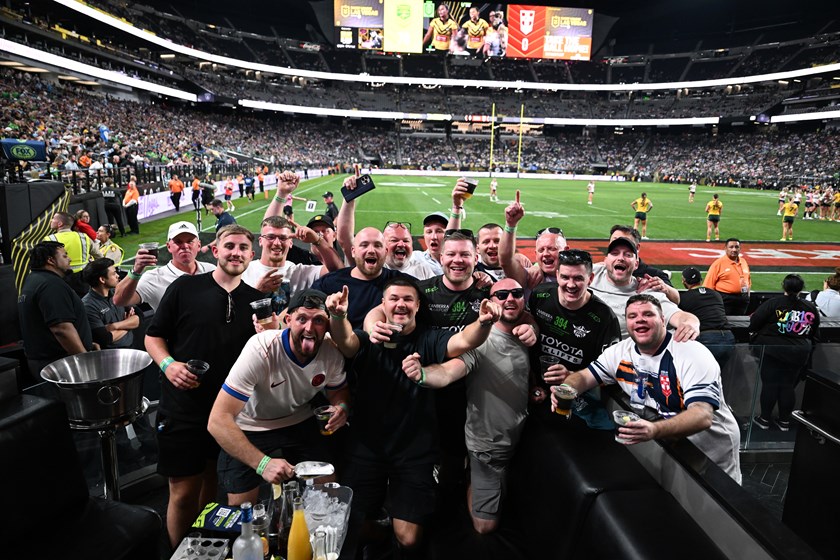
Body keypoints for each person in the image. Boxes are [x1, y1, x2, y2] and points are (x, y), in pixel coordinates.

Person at [326, 277, 502, 555]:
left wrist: (484, 322)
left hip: (415, 450)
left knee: (408, 539)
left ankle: (391, 525)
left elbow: (464, 340)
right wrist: (338, 315)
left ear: (418, 306)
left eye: (408, 299)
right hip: (367, 448)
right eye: (394, 298)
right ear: (382, 304)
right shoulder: (369, 337)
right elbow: (345, 341)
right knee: (348, 526)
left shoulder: (429, 339)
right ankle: (379, 527)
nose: (401, 304)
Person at [144, 224, 263, 548]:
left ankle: (198, 548)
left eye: (242, 248)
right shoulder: (185, 287)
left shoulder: (257, 301)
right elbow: (153, 336)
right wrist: (169, 365)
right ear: (215, 250)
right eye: (230, 246)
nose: (236, 253)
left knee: (211, 484)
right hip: (182, 407)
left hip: (226, 414)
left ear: (252, 256)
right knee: (183, 492)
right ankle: (176, 551)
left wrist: (270, 332)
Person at [551, 294, 742, 484]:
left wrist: (653, 430)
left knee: (717, 508)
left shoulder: (691, 353)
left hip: (712, 445)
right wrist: (567, 389)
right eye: (632, 316)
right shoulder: (620, 351)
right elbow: (584, 376)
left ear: (663, 320)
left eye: (648, 314)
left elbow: (703, 414)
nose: (639, 319)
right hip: (673, 439)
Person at [401, 278, 533, 534]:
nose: (509, 298)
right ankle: (471, 478)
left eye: (516, 293)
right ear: (490, 303)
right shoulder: (480, 341)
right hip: (489, 446)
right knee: (485, 526)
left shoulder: (525, 331)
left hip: (520, 436)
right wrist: (423, 375)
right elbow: (449, 372)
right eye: (501, 294)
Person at [207, 289, 350, 506]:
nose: (309, 328)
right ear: (288, 320)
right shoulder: (261, 348)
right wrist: (263, 464)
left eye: (318, 320)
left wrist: (341, 407)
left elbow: (338, 391)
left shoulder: (331, 353)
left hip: (298, 419)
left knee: (329, 488)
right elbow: (217, 421)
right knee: (242, 508)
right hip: (251, 425)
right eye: (302, 319)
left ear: (328, 325)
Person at [530, 249, 621, 405]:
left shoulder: (605, 318)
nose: (571, 285)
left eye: (578, 278)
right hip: (534, 389)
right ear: (557, 275)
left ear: (590, 279)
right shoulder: (539, 296)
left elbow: (612, 371)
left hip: (580, 400)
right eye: (565, 277)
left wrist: (572, 376)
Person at [589, 236, 700, 340]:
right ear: (605, 260)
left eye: (628, 255)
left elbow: (677, 315)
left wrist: (690, 323)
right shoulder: (589, 274)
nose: (621, 258)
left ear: (636, 264)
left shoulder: (645, 290)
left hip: (617, 355)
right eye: (615, 253)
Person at [750, 275, 820, 432]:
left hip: (773, 350)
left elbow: (754, 323)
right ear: (801, 289)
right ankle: (784, 422)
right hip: (799, 353)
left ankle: (765, 419)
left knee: (770, 385)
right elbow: (814, 332)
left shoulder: (773, 303)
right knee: (788, 387)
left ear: (784, 287)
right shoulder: (809, 307)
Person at [17, 241, 94, 379]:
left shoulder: (33, 280)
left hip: (46, 362)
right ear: (51, 260)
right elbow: (61, 329)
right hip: (61, 364)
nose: (69, 259)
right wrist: (84, 357)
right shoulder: (51, 285)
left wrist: (85, 344)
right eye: (65, 256)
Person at [241, 216, 342, 314]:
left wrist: (317, 240)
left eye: (283, 238)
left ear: (291, 243)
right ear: (260, 241)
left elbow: (338, 271)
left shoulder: (300, 272)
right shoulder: (244, 271)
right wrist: (257, 292)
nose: (277, 243)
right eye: (270, 237)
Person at [312, 227, 407, 329]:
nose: (371, 250)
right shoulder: (328, 284)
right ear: (353, 251)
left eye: (378, 245)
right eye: (364, 245)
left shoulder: (402, 283)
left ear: (386, 251)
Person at [113, 221, 216, 311]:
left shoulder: (211, 270)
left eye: (190, 241)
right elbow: (119, 300)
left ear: (198, 245)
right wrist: (135, 271)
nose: (185, 246)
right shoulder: (154, 278)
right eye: (178, 242)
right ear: (168, 247)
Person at [500, 190, 568, 291]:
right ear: (536, 255)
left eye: (552, 248)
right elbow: (506, 260)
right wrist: (510, 225)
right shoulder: (530, 277)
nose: (545, 254)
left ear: (566, 251)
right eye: (541, 250)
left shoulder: (581, 274)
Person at [678, 267, 734, 369]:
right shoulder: (716, 294)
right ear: (701, 280)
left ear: (684, 281)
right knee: (718, 374)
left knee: (700, 374)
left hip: (706, 337)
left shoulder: (684, 298)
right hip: (728, 337)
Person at [81, 258, 139, 350]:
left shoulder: (118, 293)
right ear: (102, 279)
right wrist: (129, 324)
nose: (117, 276)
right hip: (111, 355)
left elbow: (139, 318)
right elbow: (104, 339)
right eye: (113, 273)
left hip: (132, 348)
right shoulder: (88, 305)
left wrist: (113, 327)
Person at [609, 225, 673, 288]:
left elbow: (675, 297)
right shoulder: (601, 270)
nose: (618, 245)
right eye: (614, 241)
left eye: (625, 243)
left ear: (637, 247)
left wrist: (666, 288)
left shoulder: (654, 276)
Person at [703, 238, 751, 316]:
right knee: (725, 322)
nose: (734, 249)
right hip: (725, 299)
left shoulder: (743, 261)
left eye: (736, 247)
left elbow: (748, 279)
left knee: (740, 323)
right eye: (731, 247)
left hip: (742, 299)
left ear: (740, 249)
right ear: (725, 249)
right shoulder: (718, 263)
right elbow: (708, 286)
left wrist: (747, 296)